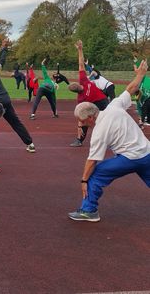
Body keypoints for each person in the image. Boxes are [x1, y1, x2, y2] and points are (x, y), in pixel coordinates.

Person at [68, 60, 150, 222]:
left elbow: (92, 161)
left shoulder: (99, 131)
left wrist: (84, 180)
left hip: (129, 158)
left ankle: (89, 210)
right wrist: (141, 74)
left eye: (82, 121)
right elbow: (130, 89)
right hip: (147, 153)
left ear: (90, 117)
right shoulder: (114, 106)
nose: (81, 124)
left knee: (95, 174)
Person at [0, 39, 36, 153]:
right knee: (15, 122)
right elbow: (2, 60)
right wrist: (4, 47)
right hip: (6, 100)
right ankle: (30, 143)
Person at [68, 41, 109, 147]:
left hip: (99, 101)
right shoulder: (83, 81)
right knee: (107, 118)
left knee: (90, 119)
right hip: (101, 100)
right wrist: (80, 49)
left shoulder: (81, 98)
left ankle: (79, 140)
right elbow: (81, 64)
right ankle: (80, 139)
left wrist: (79, 127)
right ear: (77, 85)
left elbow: (81, 116)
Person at [134, 57, 150, 127]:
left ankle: (144, 119)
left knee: (143, 105)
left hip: (143, 89)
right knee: (139, 104)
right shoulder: (140, 78)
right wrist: (136, 61)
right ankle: (142, 119)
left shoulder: (146, 79)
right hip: (139, 89)